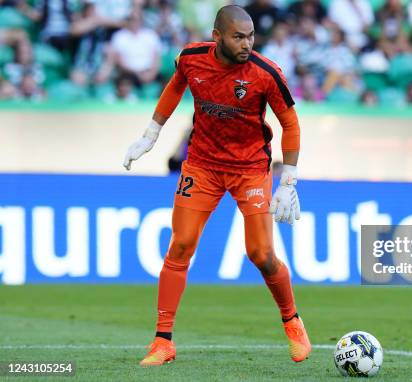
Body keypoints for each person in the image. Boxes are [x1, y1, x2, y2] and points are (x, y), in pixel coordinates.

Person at [123, 5, 311, 366]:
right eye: (239, 37)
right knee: (180, 246)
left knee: (261, 254)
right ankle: (163, 342)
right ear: (217, 37)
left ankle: (292, 321)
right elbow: (176, 86)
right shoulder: (191, 58)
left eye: (251, 36)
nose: (246, 44)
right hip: (203, 165)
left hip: (250, 168)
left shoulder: (266, 73)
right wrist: (151, 134)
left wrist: (288, 179)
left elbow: (291, 123)